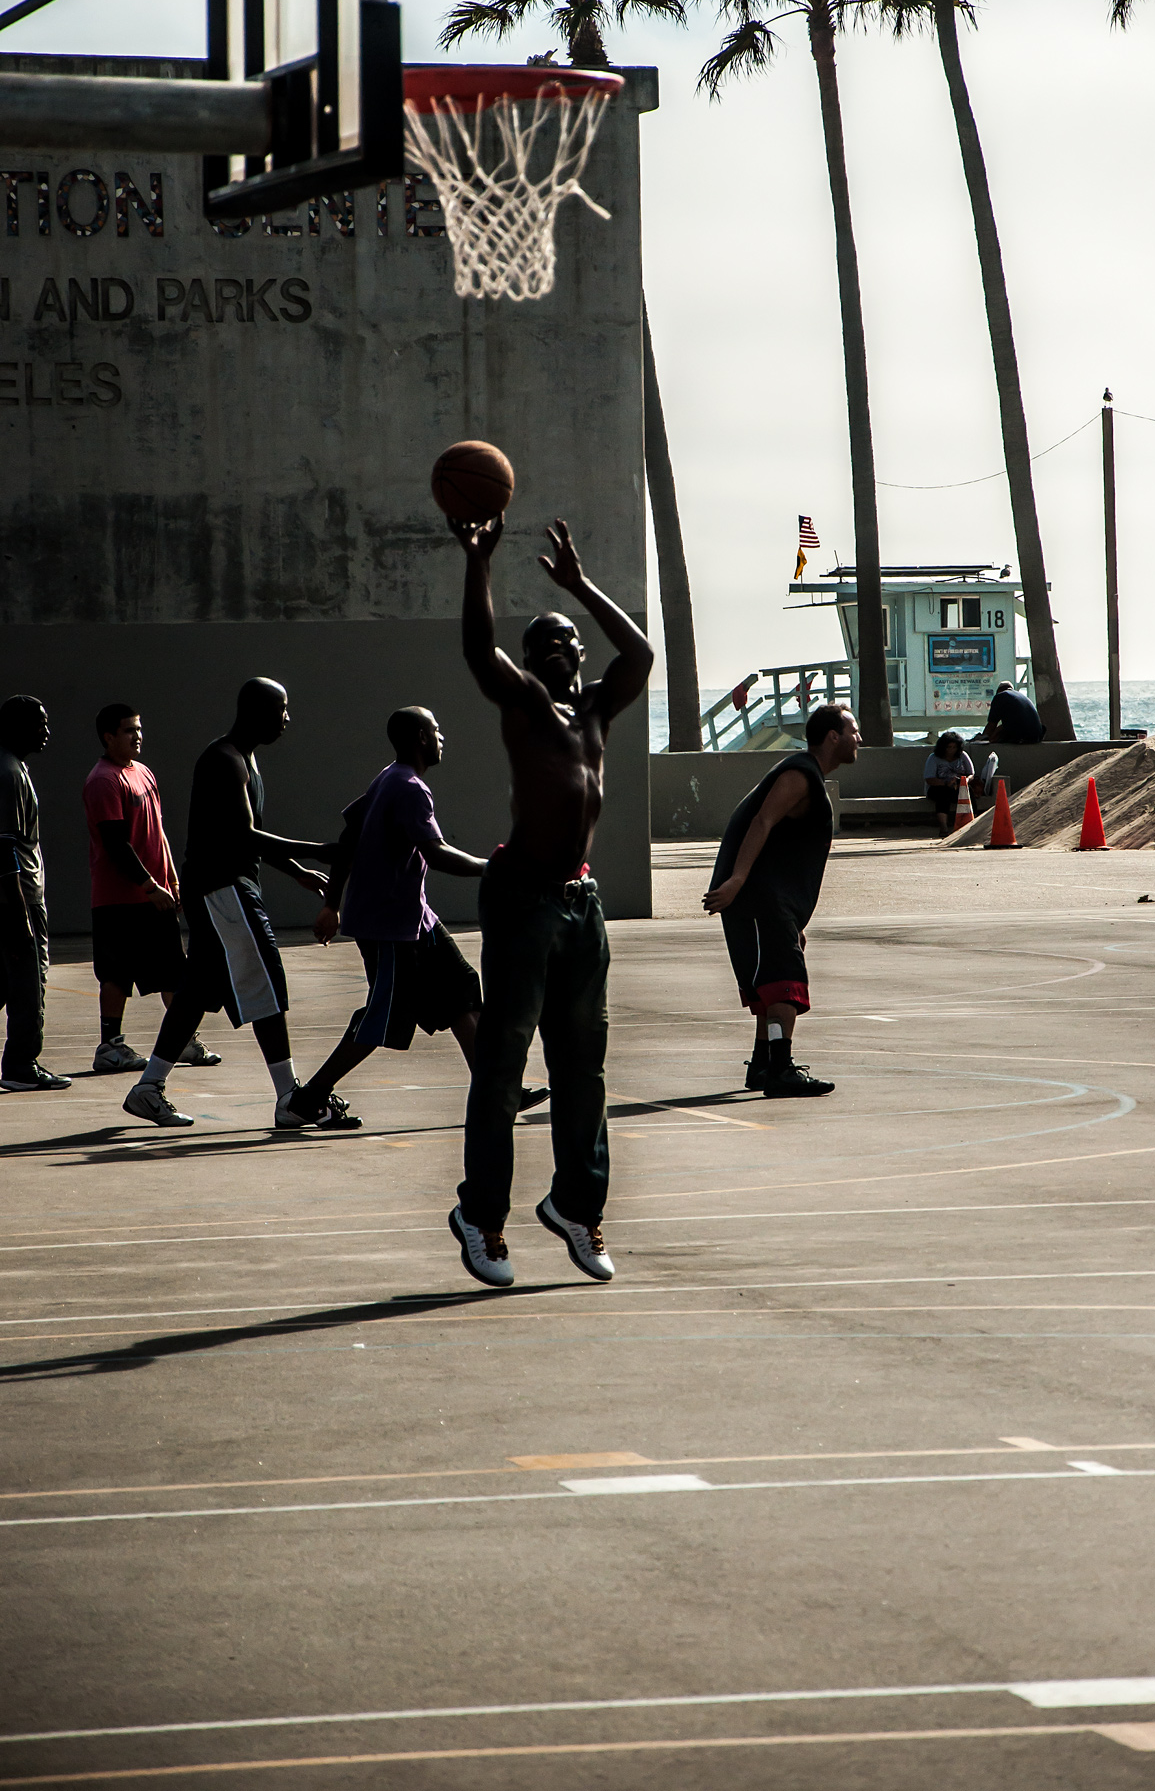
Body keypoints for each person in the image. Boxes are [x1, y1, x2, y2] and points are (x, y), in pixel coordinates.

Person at [448, 515, 653, 1290]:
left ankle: (574, 1205)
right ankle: (482, 1217)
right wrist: (479, 561)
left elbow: (639, 653)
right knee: (503, 1066)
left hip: (579, 902)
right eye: (545, 642)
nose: (559, 648)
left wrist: (579, 588)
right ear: (533, 661)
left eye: (568, 638)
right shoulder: (528, 705)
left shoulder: (599, 708)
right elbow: (476, 652)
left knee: (583, 1067)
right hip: (522, 896)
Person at [286, 706, 548, 1127]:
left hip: (416, 918)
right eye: (436, 730)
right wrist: (496, 867)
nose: (442, 737)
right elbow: (435, 852)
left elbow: (348, 838)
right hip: (388, 925)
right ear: (418, 739)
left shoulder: (388, 779)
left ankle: (500, 1091)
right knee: (381, 1017)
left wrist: (332, 903)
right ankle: (308, 1099)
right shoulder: (407, 787)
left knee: (462, 990)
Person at [122, 678, 334, 1131]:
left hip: (220, 890)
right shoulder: (224, 759)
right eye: (282, 709)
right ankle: (290, 1097)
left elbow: (248, 835)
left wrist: (299, 872)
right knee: (265, 982)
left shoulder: (245, 760)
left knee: (197, 990)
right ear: (257, 711)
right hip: (224, 891)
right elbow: (244, 836)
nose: (287, 719)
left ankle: (147, 1087)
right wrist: (318, 848)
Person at [703, 703, 860, 1097]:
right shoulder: (799, 775)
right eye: (853, 731)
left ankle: (763, 1066)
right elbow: (761, 822)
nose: (860, 738)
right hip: (760, 900)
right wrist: (738, 880)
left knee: (770, 984)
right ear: (832, 737)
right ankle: (781, 1070)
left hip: (770, 903)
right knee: (784, 985)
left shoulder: (806, 775)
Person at [82, 704, 220, 1076]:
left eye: (138, 729)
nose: (137, 736)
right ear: (109, 737)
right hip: (119, 899)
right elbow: (116, 844)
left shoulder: (143, 773)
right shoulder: (104, 780)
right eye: (128, 731)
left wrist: (172, 880)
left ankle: (184, 1040)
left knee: (176, 972)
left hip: (155, 894)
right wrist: (148, 885)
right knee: (116, 975)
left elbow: (156, 834)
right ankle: (110, 1047)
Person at [0, 696, 70, 1093]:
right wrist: (19, 909)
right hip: (18, 898)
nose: (46, 731)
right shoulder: (8, 772)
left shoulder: (14, 767)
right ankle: (22, 1064)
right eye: (38, 724)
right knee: (29, 981)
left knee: (3, 981)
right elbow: (5, 846)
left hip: (19, 897)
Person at [924, 731, 976, 838]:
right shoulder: (934, 758)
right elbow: (929, 779)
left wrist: (965, 781)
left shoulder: (962, 756)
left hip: (958, 786)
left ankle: (972, 821)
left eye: (954, 747)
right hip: (938, 787)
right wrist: (945, 783)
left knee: (969, 791)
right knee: (942, 795)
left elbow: (971, 773)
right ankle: (944, 826)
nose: (951, 750)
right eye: (949, 747)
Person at [981, 680, 1045, 745]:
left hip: (1020, 736)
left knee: (996, 734)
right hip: (1037, 737)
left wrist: (983, 738)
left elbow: (991, 725)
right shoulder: (1022, 697)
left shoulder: (1000, 696)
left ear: (999, 690)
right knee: (1002, 727)